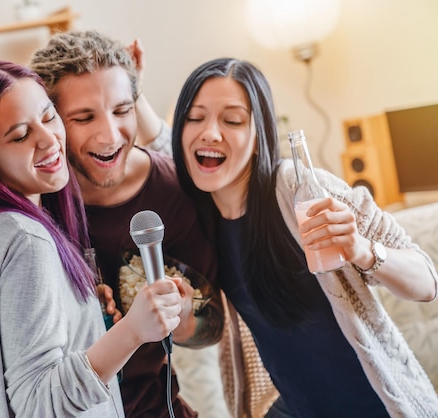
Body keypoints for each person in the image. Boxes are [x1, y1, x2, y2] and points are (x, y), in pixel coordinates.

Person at [170, 57, 438, 417]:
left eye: (231, 119)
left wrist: (362, 249)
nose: (210, 133)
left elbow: (426, 283)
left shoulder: (299, 189)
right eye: (195, 117)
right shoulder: (201, 219)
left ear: (257, 134)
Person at [0, 59, 183, 417]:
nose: (48, 140)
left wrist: (80, 316)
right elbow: (38, 403)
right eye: (19, 135)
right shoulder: (27, 241)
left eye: (48, 117)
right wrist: (134, 331)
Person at [30, 30, 225, 418]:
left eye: (122, 111)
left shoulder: (174, 190)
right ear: (48, 121)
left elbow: (213, 323)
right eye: (84, 117)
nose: (109, 135)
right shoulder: (33, 202)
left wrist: (183, 318)